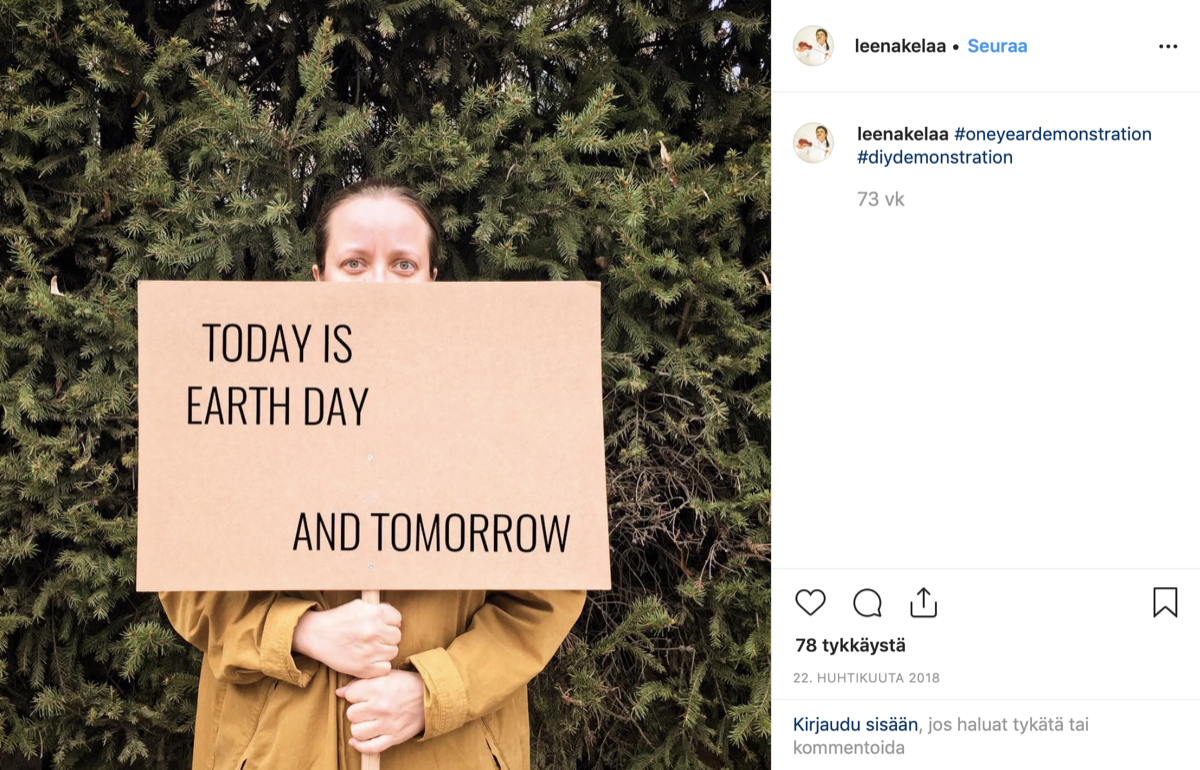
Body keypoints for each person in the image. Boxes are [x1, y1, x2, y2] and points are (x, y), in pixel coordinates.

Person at [159, 177, 587, 769]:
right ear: (319, 278)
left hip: (448, 751)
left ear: (433, 280)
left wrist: (432, 693)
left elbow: (546, 595)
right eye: (354, 263)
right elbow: (188, 584)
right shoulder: (244, 398)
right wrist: (301, 631)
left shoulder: (501, 404)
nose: (379, 284)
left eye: (403, 264)